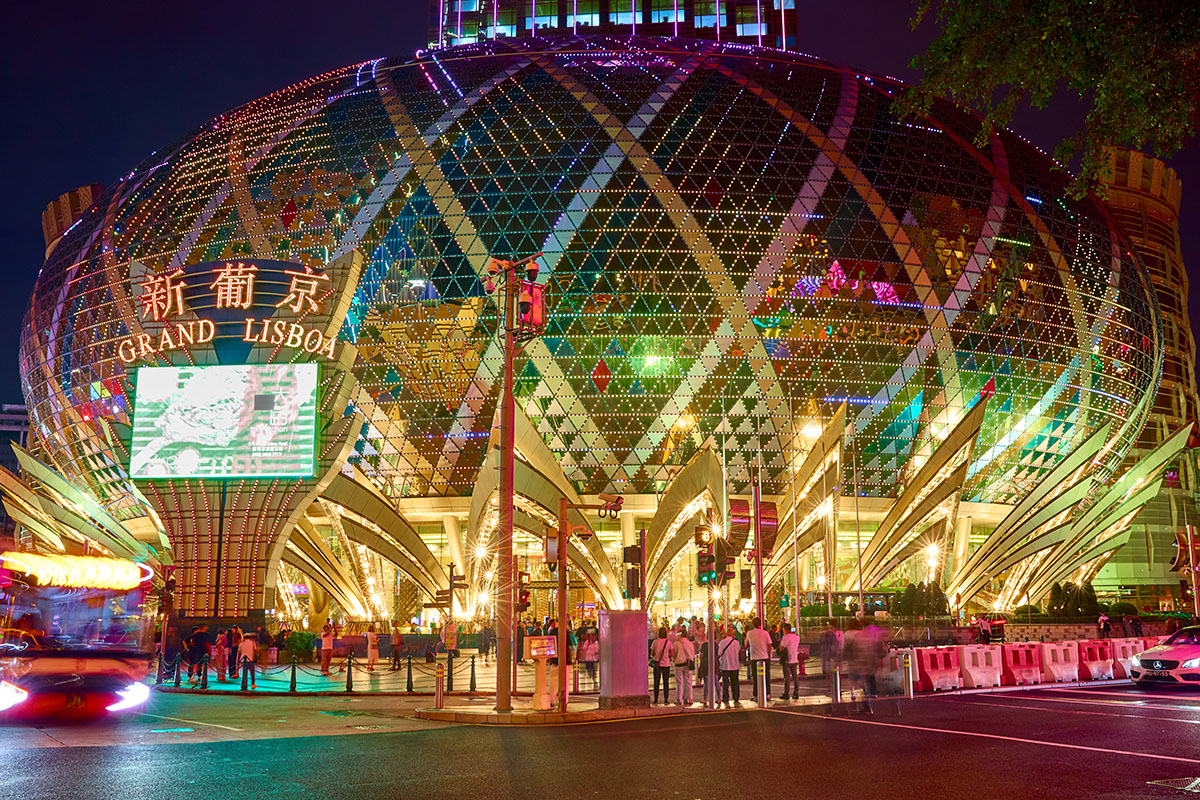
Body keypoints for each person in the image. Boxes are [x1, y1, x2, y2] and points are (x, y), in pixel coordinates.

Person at [745, 617, 773, 705]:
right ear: (761, 624)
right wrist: (769, 656)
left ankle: (756, 694)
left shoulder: (749, 633)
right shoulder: (765, 633)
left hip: (754, 658)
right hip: (764, 657)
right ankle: (767, 694)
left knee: (755, 677)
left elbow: (746, 644)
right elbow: (769, 646)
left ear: (752, 624)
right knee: (766, 676)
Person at [815, 620, 843, 699]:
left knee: (830, 674)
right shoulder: (840, 633)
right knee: (836, 673)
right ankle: (837, 689)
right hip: (837, 656)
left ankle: (831, 689)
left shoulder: (832, 634)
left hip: (831, 656)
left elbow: (824, 643)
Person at [717, 625, 741, 707]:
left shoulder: (722, 642)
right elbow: (738, 651)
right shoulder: (736, 642)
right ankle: (736, 697)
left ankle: (726, 697)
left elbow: (719, 653)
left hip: (725, 665)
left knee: (725, 683)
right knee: (735, 682)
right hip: (735, 665)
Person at [778, 622, 801, 702]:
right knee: (795, 677)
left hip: (787, 660)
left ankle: (786, 693)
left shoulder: (785, 637)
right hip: (795, 659)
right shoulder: (797, 637)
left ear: (785, 629)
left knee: (787, 678)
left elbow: (782, 648)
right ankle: (796, 693)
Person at [650, 626, 673, 705]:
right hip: (666, 664)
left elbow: (652, 653)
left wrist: (656, 655)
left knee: (656, 682)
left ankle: (656, 699)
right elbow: (672, 653)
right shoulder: (668, 642)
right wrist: (668, 655)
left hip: (657, 664)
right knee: (666, 682)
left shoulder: (655, 642)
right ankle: (666, 699)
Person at [672, 630, 696, 706]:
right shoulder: (690, 644)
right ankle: (688, 698)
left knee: (679, 682)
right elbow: (693, 654)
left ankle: (679, 699)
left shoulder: (676, 644)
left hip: (679, 664)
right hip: (688, 664)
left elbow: (673, 654)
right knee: (688, 682)